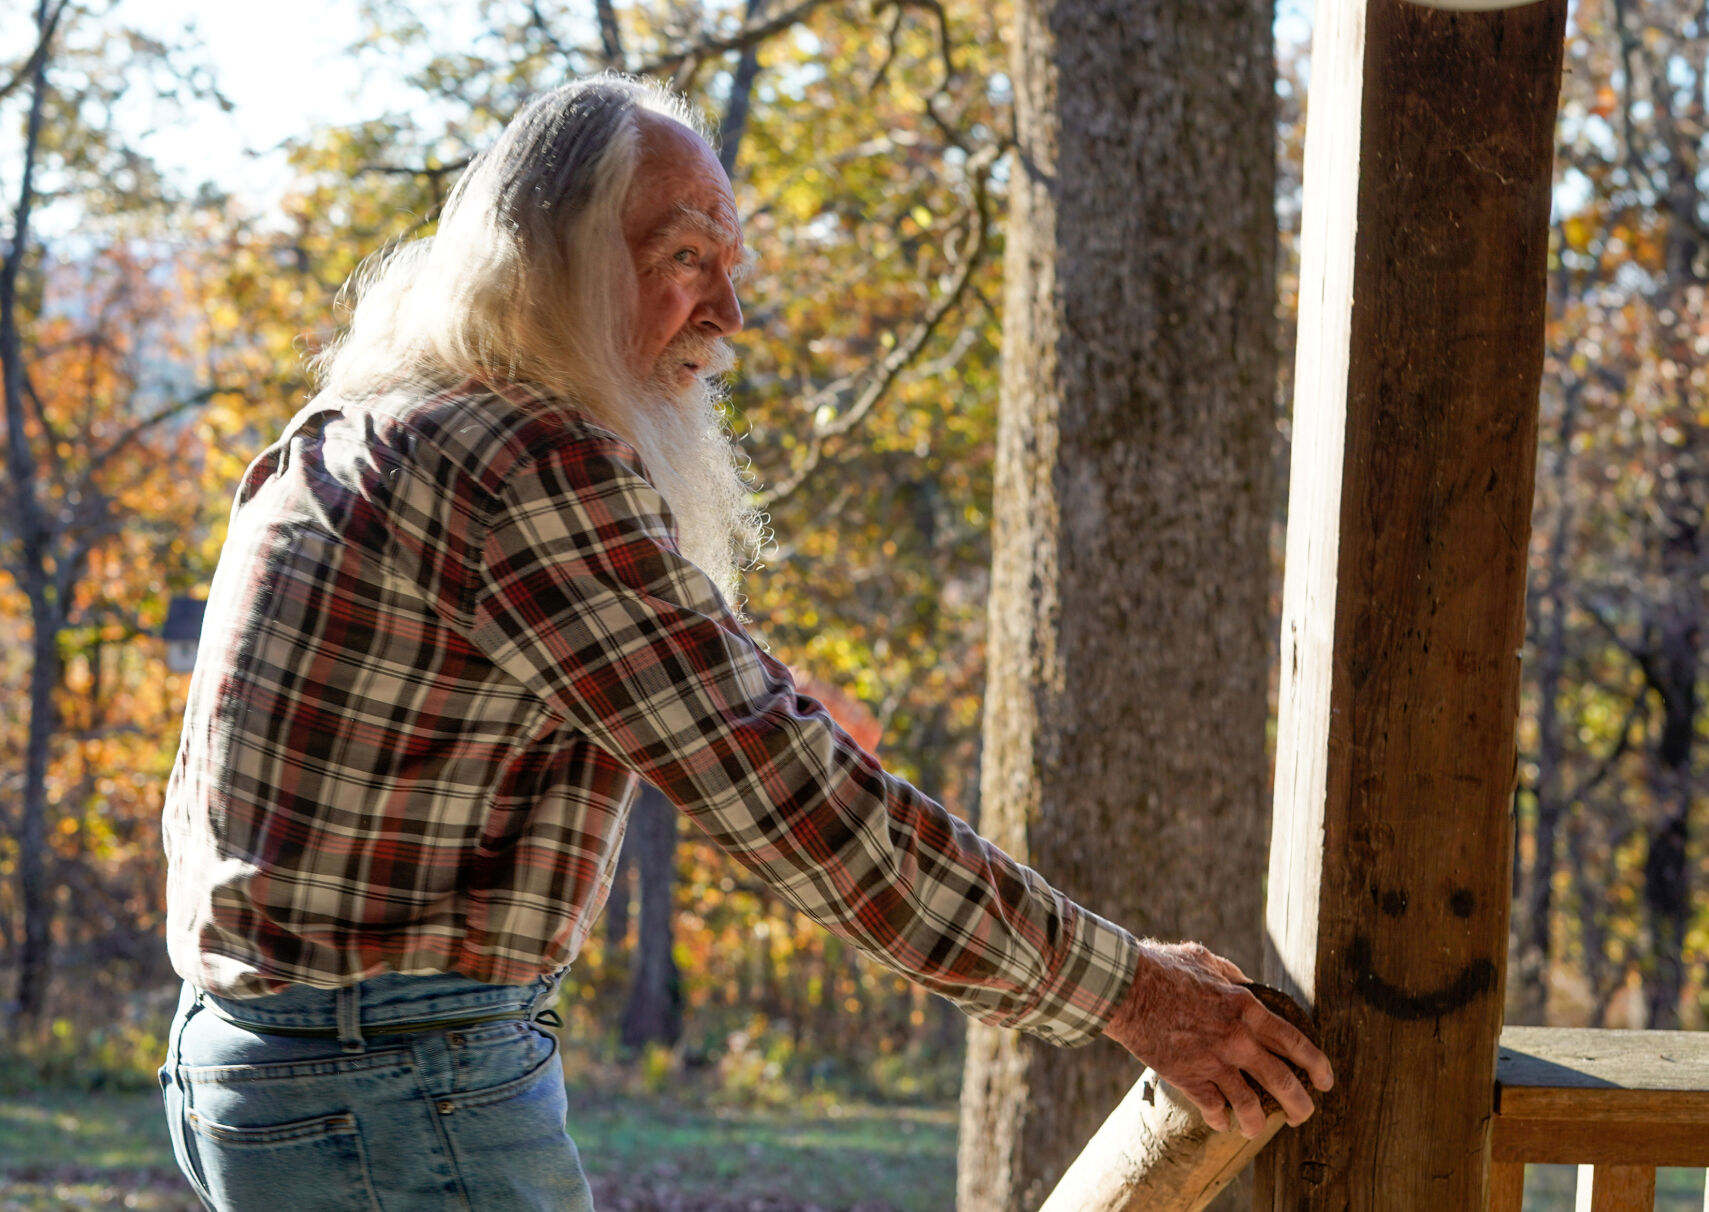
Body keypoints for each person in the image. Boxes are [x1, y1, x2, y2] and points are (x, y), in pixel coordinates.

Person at [158, 74, 1332, 1212]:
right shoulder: (524, 459)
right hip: (392, 1094)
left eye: (731, 266)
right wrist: (1133, 995)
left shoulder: (364, 427)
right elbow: (799, 808)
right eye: (683, 259)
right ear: (550, 257)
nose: (728, 314)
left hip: (267, 1071)